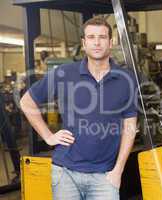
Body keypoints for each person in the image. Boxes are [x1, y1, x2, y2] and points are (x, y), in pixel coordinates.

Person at [20, 16, 138, 200]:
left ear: (111, 42)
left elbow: (130, 127)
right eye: (91, 37)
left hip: (105, 177)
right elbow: (26, 102)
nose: (97, 42)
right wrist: (48, 136)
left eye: (102, 37)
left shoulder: (126, 79)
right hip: (65, 174)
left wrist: (118, 171)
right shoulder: (64, 73)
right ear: (83, 43)